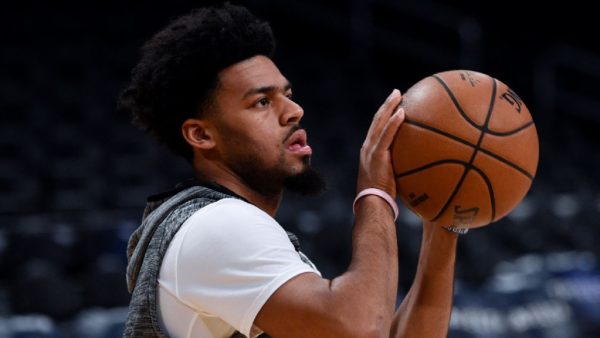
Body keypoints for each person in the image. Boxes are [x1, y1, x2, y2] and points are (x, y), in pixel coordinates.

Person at [119, 3, 460, 338]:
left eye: (287, 94)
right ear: (202, 135)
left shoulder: (230, 230)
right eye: (262, 102)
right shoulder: (217, 225)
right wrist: (375, 192)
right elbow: (361, 328)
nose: (294, 110)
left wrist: (442, 226)